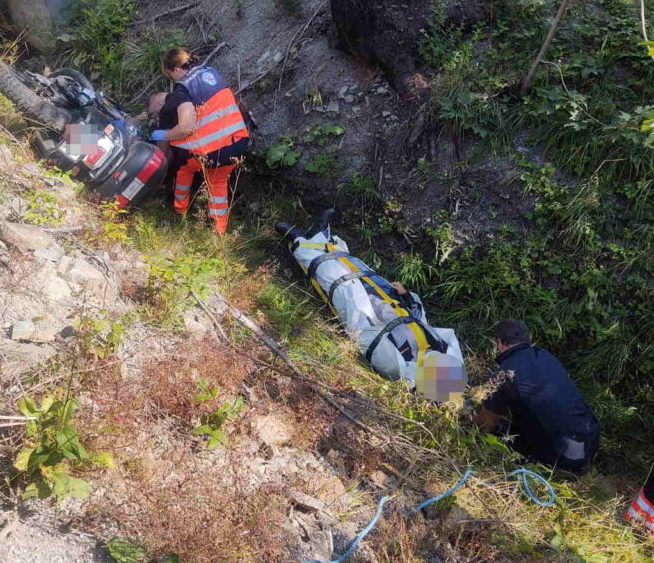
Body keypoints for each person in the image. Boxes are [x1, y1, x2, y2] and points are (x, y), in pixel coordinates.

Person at [276, 209, 467, 402]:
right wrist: (407, 296)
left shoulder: (397, 366)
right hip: (392, 302)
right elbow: (421, 321)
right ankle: (322, 234)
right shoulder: (435, 346)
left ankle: (298, 241)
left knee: (338, 278)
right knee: (357, 268)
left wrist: (361, 305)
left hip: (369, 312)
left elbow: (367, 336)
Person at [475, 319, 600, 474]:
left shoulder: (506, 374)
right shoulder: (546, 357)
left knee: (501, 431)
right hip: (589, 444)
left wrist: (468, 422)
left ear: (499, 343)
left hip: (561, 460)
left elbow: (484, 425)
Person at [150, 48, 249, 235]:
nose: (173, 79)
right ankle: (218, 232)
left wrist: (165, 135)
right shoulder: (210, 72)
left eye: (171, 74)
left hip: (213, 150)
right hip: (238, 142)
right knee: (217, 181)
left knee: (183, 167)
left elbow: (186, 127)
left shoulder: (183, 88)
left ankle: (179, 211)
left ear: (176, 69)